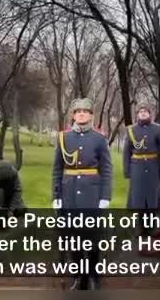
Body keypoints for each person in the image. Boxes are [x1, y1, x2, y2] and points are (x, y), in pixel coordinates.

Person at [52, 97, 113, 291]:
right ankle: (79, 277)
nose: (81, 114)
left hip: (91, 195)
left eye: (85, 111)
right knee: (73, 239)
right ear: (73, 115)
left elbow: (107, 169)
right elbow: (57, 169)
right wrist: (56, 196)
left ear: (91, 115)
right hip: (69, 194)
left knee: (92, 238)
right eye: (78, 111)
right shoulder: (64, 138)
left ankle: (94, 275)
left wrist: (105, 197)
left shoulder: (99, 138)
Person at [123, 104, 160, 235]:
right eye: (140, 112)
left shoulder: (157, 129)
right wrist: (127, 170)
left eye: (145, 111)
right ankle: (140, 228)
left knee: (152, 198)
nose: (142, 113)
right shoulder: (131, 129)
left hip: (153, 166)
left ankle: (152, 227)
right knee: (138, 199)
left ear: (150, 114)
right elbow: (126, 151)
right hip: (137, 168)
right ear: (137, 114)